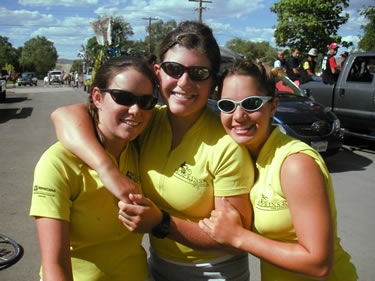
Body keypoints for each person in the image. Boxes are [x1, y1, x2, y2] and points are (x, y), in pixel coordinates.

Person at [51, 20, 254, 281]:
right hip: (157, 268)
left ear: (213, 80)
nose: (184, 82)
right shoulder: (147, 120)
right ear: (158, 72)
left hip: (214, 274)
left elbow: (235, 238)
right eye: (174, 69)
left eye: (199, 73)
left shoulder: (226, 144)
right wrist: (107, 169)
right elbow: (65, 114)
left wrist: (161, 224)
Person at [199, 59, 358, 281]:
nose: (238, 116)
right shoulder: (245, 156)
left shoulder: (295, 164)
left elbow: (318, 264)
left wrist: (238, 237)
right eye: (227, 105)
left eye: (251, 103)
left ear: (273, 105)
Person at [30, 56, 158, 281]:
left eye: (146, 101)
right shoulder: (58, 163)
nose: (136, 110)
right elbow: (55, 265)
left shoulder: (140, 145)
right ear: (97, 97)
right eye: (123, 97)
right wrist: (106, 168)